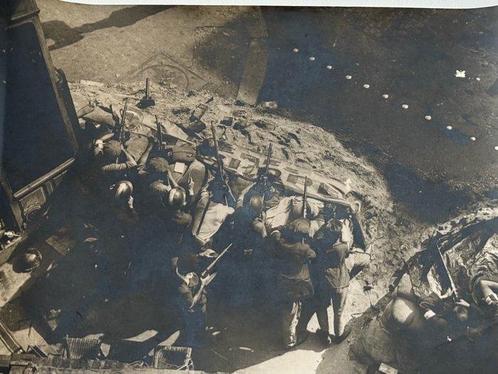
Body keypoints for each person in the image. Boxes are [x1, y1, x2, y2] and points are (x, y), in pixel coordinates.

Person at [298, 218, 352, 346]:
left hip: (326, 281)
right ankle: (338, 336)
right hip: (341, 282)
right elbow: (347, 239)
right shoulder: (342, 247)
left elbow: (316, 238)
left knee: (321, 307)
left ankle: (325, 334)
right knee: (338, 312)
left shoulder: (320, 245)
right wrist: (344, 226)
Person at [270, 217, 316, 348]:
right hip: (297, 283)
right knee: (290, 312)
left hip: (284, 280)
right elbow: (314, 256)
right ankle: (289, 341)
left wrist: (279, 231)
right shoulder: (305, 248)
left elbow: (276, 236)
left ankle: (288, 334)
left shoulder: (283, 245)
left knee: (288, 309)